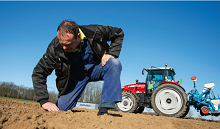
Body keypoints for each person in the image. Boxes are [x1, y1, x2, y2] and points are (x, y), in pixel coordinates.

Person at [32, 20, 124, 116]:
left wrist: (111, 53)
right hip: (76, 77)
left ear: (78, 36)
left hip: (96, 69)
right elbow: (39, 72)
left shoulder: (95, 31)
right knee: (61, 110)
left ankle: (104, 109)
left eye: (68, 44)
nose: (63, 47)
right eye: (61, 43)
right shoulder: (55, 48)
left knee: (114, 63)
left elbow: (118, 33)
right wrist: (43, 100)